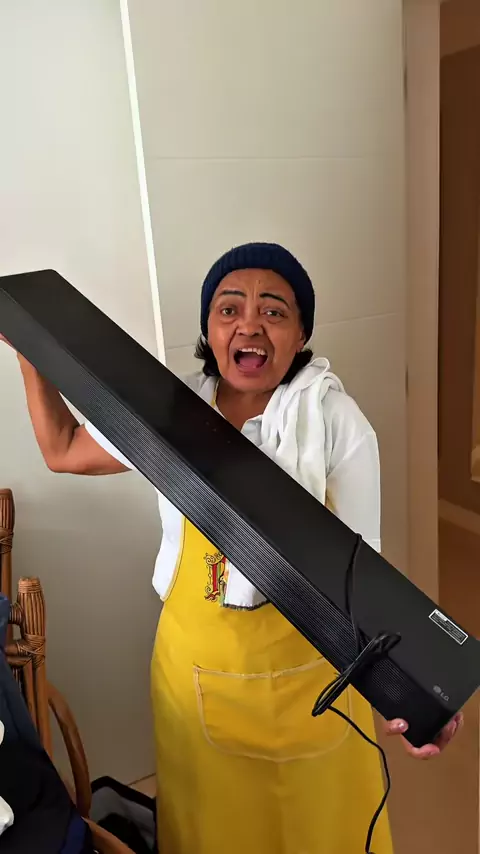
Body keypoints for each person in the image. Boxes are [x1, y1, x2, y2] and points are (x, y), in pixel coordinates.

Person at [1, 243, 462, 853]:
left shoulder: (335, 421)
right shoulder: (168, 411)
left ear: (301, 335)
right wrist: (28, 349)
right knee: (213, 831)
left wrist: (422, 693)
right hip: (192, 675)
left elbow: (368, 580)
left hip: (310, 687)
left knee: (318, 830)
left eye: (274, 311)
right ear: (209, 331)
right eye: (229, 309)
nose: (249, 324)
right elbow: (62, 449)